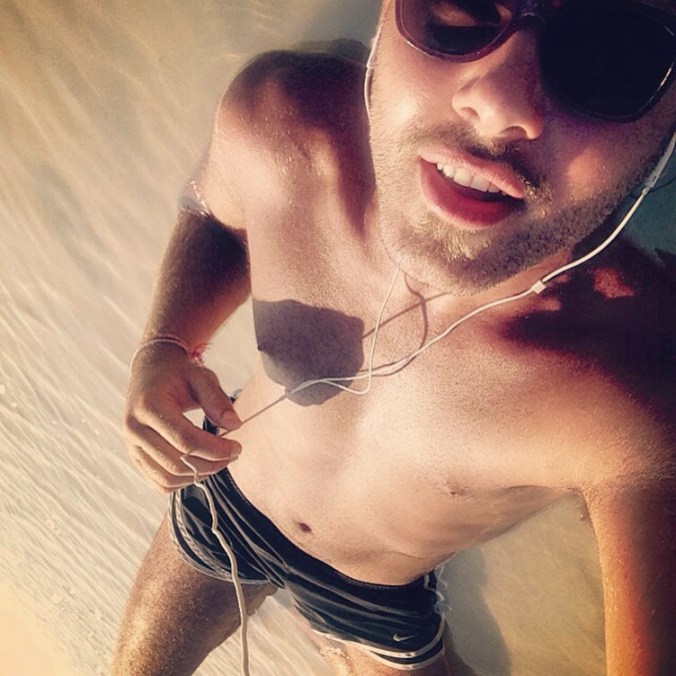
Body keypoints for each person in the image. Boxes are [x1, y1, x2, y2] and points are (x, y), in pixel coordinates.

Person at [113, 1, 676, 674]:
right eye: (462, 7)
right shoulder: (282, 126)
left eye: (613, 52)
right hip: (227, 496)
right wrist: (165, 347)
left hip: (376, 595)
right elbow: (215, 212)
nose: (496, 105)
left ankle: (343, 642)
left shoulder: (636, 388)